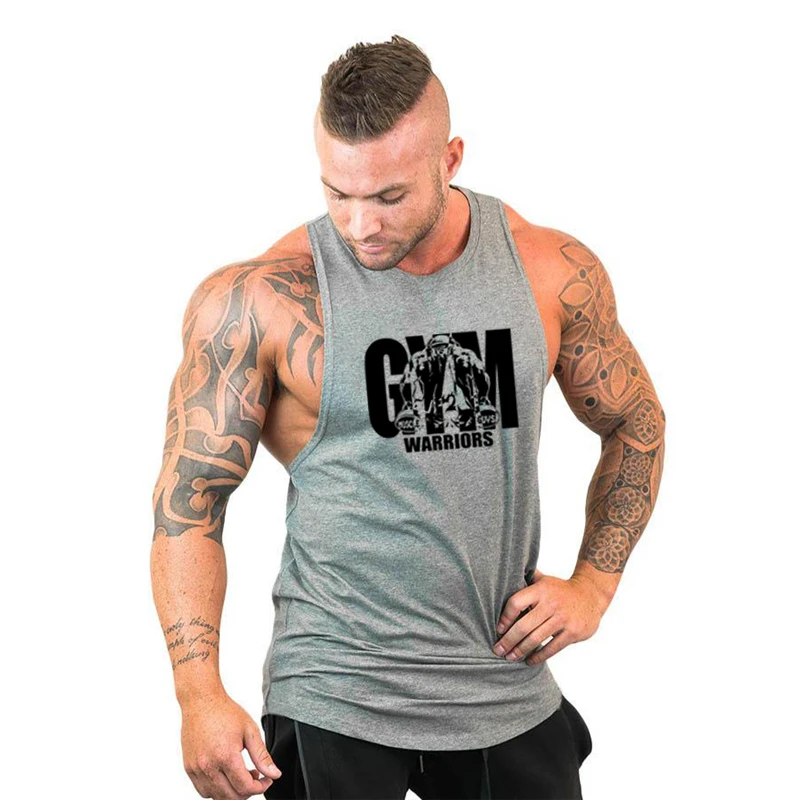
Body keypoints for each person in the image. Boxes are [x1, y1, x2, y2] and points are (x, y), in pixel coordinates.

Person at [150, 34, 666, 800]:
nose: (360, 225)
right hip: (335, 688)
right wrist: (199, 696)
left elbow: (635, 423)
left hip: (503, 684)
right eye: (339, 194)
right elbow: (190, 503)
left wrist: (595, 584)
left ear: (450, 160)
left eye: (388, 198)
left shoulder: (549, 271)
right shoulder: (260, 299)